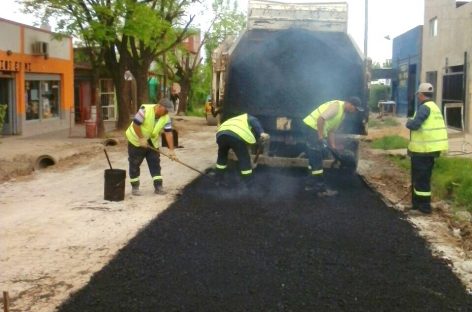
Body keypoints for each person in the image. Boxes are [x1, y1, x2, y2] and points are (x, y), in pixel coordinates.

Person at [302, 96, 364, 192]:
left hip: (315, 130)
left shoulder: (342, 114)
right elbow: (320, 119)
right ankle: (319, 187)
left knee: (314, 157)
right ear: (349, 104)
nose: (355, 111)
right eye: (355, 109)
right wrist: (320, 136)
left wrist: (333, 147)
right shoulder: (336, 107)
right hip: (312, 128)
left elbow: (332, 131)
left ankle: (310, 184)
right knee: (317, 156)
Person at [406, 83, 448, 214]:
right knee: (419, 178)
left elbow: (415, 125)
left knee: (421, 179)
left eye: (418, 94)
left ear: (421, 94)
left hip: (424, 150)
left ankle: (424, 208)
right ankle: (416, 205)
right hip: (428, 150)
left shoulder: (424, 108)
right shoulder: (434, 106)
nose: (418, 96)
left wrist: (408, 122)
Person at [125, 97, 178, 196]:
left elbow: (168, 133)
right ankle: (135, 187)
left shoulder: (166, 117)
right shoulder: (145, 110)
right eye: (166, 110)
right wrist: (141, 138)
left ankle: (158, 186)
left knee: (155, 163)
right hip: (136, 140)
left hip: (151, 142)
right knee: (134, 164)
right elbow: (135, 125)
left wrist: (171, 150)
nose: (167, 113)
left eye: (168, 111)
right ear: (159, 106)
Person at [215, 113, 270, 187]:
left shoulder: (236, 120)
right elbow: (254, 122)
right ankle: (249, 183)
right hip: (235, 136)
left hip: (221, 135)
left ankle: (218, 180)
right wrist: (261, 133)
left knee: (222, 158)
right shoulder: (249, 117)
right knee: (244, 159)